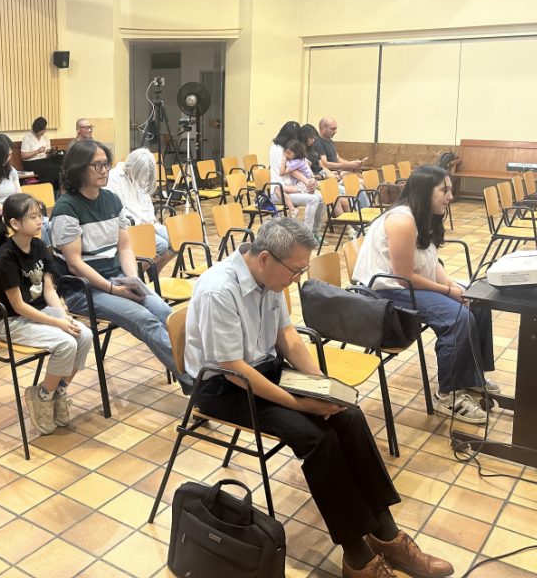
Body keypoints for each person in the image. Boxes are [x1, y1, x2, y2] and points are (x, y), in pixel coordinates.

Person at [186, 218, 454, 578]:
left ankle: (386, 535)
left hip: (263, 371)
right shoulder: (219, 290)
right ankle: (356, 555)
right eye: (295, 270)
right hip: (223, 387)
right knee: (316, 437)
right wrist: (299, 404)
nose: (297, 278)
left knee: (347, 415)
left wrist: (321, 387)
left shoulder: (269, 277)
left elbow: (288, 336)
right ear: (265, 258)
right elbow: (234, 369)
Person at [353, 165, 497, 424]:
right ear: (424, 191)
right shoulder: (402, 220)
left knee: (478, 301)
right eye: (444, 190)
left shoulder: (423, 216)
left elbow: (431, 263)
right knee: (457, 318)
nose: (450, 196)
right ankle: (447, 395)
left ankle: (472, 376)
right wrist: (449, 291)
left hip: (406, 285)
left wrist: (455, 286)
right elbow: (405, 277)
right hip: (386, 291)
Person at [49, 140, 192, 392]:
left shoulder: (112, 200)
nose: (105, 170)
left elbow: (125, 248)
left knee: (166, 313)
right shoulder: (66, 208)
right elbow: (75, 265)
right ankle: (198, 382)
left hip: (116, 279)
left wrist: (132, 279)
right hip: (84, 290)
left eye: (106, 164)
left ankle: (198, 370)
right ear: (78, 168)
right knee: (144, 320)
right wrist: (114, 290)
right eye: (97, 165)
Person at [0, 193, 93, 434]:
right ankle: (43, 396)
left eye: (40, 215)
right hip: (11, 321)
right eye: (33, 217)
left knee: (84, 335)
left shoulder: (38, 246)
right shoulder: (5, 258)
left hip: (39, 312)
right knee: (66, 343)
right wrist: (57, 323)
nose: (40, 221)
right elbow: (18, 306)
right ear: (15, 223)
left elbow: (48, 289)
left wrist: (62, 315)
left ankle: (59, 391)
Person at [106, 148, 171, 258]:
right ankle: (144, 268)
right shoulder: (113, 178)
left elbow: (147, 201)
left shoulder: (140, 174)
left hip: (147, 223)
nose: (142, 178)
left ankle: (154, 268)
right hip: (129, 226)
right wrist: (139, 223)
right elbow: (118, 210)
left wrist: (151, 219)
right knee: (162, 245)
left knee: (174, 238)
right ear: (134, 167)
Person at [269, 122, 322, 235]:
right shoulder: (277, 149)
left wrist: (312, 178)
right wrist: (306, 181)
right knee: (313, 200)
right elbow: (289, 170)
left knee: (321, 199)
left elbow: (303, 164)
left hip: (294, 186)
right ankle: (307, 234)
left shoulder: (291, 147)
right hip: (280, 190)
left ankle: (315, 232)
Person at [20, 116, 61, 187]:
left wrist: (51, 152)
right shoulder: (27, 138)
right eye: (41, 131)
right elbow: (23, 156)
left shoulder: (45, 138)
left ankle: (55, 188)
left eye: (44, 130)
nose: (43, 132)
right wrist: (37, 151)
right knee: (51, 168)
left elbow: (47, 154)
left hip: (44, 160)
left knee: (59, 166)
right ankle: (47, 187)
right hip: (31, 163)